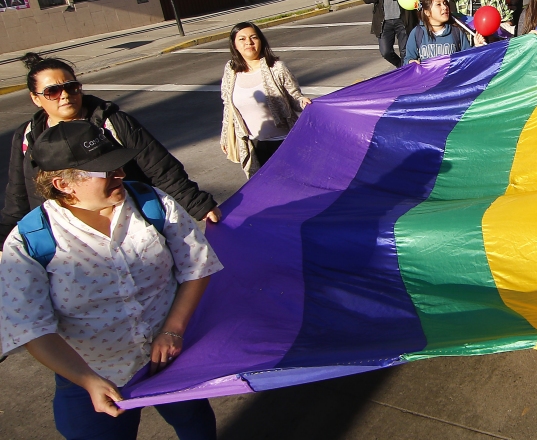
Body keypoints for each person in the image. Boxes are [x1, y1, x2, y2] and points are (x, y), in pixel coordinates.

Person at [0, 120, 223, 439]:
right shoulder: (31, 241)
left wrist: (173, 329)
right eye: (105, 170)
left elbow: (197, 266)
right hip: (90, 373)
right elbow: (31, 328)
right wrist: (86, 379)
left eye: (117, 164)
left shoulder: (152, 204)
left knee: (195, 426)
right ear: (64, 184)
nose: (120, 174)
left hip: (170, 360)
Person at [3, 55, 221, 238]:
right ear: (36, 98)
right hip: (63, 237)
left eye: (72, 87)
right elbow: (19, 192)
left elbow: (159, 167)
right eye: (53, 91)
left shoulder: (111, 122)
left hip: (125, 227)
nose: (66, 96)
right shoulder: (27, 136)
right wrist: (7, 235)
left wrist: (197, 204)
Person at [220, 22, 311, 178]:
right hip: (253, 145)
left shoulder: (277, 67)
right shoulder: (231, 70)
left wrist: (302, 100)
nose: (248, 42)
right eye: (242, 39)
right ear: (234, 44)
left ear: (261, 41)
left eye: (253, 37)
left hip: (283, 142)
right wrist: (225, 136)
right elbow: (228, 106)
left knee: (292, 186)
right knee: (263, 191)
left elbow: (294, 96)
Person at [405, 0, 485, 62]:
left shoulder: (457, 31)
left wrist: (476, 47)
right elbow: (408, 58)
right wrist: (410, 62)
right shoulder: (417, 32)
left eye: (445, 3)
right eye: (438, 4)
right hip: (429, 79)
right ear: (427, 12)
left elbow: (467, 58)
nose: (444, 7)